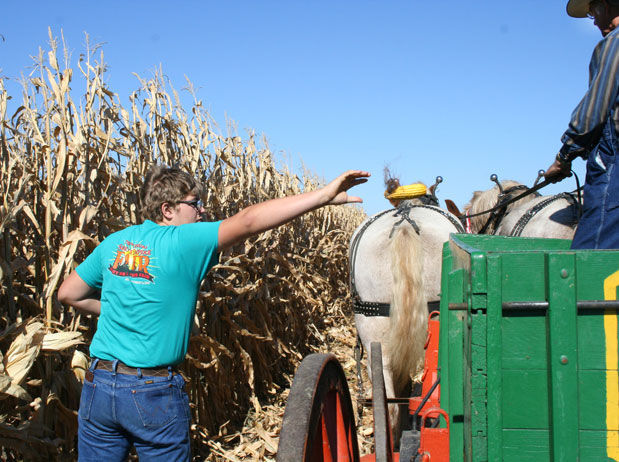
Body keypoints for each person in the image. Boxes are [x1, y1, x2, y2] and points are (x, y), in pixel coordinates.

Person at [57, 166, 370, 461]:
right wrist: (322, 196)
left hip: (99, 386)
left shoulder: (114, 243)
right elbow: (248, 222)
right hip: (151, 394)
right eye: (195, 203)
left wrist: (112, 309)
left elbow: (68, 293)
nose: (202, 210)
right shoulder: (184, 241)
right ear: (168, 209)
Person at [544, 0, 619, 249]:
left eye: (592, 12)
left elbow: (593, 111)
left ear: (606, 6)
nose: (594, 20)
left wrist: (564, 157)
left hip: (613, 162)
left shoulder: (614, 43)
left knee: (590, 255)